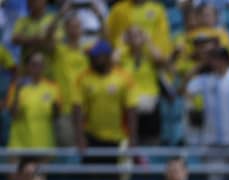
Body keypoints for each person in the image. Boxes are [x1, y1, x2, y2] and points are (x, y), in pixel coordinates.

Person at [72, 39, 139, 160]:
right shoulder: (83, 78)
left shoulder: (124, 77)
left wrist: (132, 138)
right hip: (91, 137)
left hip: (118, 137)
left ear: (107, 57)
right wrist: (79, 137)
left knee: (115, 176)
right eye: (90, 56)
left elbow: (131, 109)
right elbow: (77, 108)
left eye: (95, 56)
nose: (91, 59)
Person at [116, 25, 169, 146]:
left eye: (138, 35)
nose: (135, 38)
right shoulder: (124, 56)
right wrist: (121, 43)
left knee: (150, 141)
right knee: (130, 142)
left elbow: (161, 60)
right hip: (129, 106)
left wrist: (148, 41)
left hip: (149, 105)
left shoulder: (149, 55)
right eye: (131, 35)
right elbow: (113, 61)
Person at [6, 51, 60, 149]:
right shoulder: (16, 87)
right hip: (19, 144)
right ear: (28, 66)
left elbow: (56, 115)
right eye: (33, 64)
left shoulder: (53, 87)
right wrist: (18, 91)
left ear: (44, 67)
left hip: (43, 142)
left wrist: (56, 108)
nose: (37, 67)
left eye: (40, 64)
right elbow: (13, 114)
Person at [51, 14, 89, 147]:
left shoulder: (87, 51)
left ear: (82, 29)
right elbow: (46, 38)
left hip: (86, 111)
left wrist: (100, 16)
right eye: (71, 26)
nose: (74, 29)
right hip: (65, 110)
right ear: (65, 29)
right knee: (67, 151)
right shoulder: (58, 51)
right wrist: (59, 15)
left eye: (77, 26)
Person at [105, 0, 172, 58]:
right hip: (126, 59)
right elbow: (110, 34)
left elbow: (163, 36)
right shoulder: (118, 10)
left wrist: (154, 51)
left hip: (151, 57)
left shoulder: (157, 9)